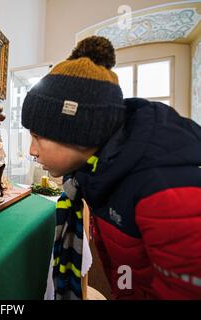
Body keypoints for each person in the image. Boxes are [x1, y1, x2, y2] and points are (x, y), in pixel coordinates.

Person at [21, 36, 201, 299]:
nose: (31, 151)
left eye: (38, 137)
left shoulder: (166, 191)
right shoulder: (95, 174)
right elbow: (124, 271)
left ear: (80, 133)